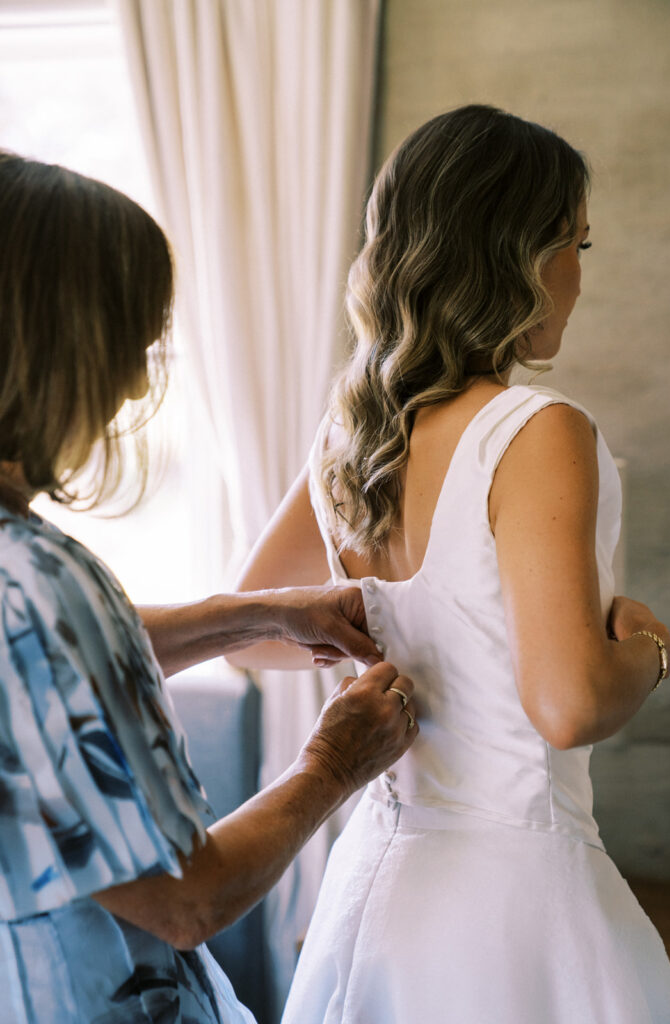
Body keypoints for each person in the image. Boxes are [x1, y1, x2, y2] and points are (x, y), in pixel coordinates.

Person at [231, 106, 670, 1022]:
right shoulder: (536, 430)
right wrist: (649, 645)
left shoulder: (350, 434)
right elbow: (567, 706)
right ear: (518, 254)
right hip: (514, 898)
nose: (577, 281)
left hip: (378, 887)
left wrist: (399, 636)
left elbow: (253, 629)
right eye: (576, 246)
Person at [0, 150, 419, 1024]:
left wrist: (253, 614)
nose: (134, 384)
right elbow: (187, 902)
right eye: (127, 344)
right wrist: (331, 765)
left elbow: (37, 673)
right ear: (49, 343)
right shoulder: (38, 580)